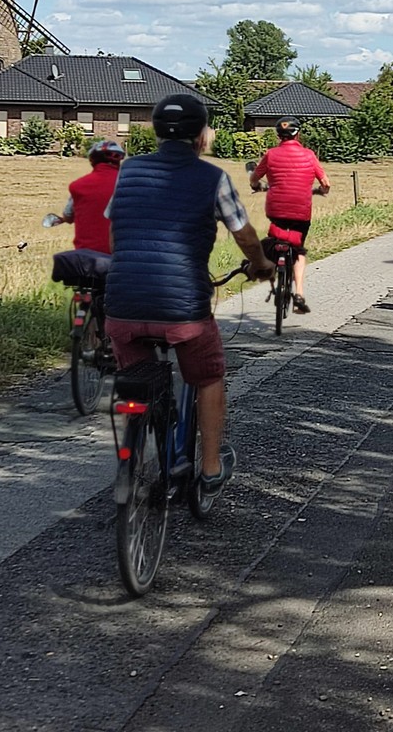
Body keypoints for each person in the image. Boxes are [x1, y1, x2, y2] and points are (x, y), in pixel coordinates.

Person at [105, 94, 274, 505]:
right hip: (183, 308)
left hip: (122, 302)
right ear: (200, 136)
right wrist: (262, 264)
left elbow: (116, 228)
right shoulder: (211, 178)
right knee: (208, 376)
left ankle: (145, 442)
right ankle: (211, 468)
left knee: (140, 376)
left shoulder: (127, 172)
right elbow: (245, 234)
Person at [249, 116, 330, 315]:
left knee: (276, 238)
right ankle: (299, 295)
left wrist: (256, 186)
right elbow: (326, 183)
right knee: (298, 249)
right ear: (298, 133)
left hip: (276, 210)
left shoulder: (270, 154)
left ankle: (275, 263)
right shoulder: (309, 155)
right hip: (301, 212)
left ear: (278, 135)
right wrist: (321, 190)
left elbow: (254, 178)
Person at [58, 140, 126, 254]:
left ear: (92, 160)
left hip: (87, 258)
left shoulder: (78, 186)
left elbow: (68, 216)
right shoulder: (131, 184)